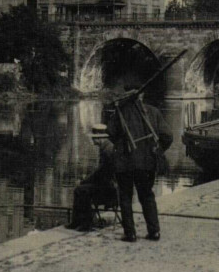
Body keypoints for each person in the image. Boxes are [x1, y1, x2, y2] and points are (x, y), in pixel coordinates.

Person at [106, 89, 172, 242]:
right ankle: (154, 231)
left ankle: (130, 234)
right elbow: (168, 135)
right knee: (147, 195)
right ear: (141, 96)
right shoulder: (153, 112)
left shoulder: (120, 113)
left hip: (125, 163)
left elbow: (110, 133)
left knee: (125, 197)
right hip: (147, 162)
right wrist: (159, 149)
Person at [65, 123, 116, 231]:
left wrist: (83, 181)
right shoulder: (108, 147)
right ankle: (78, 222)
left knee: (81, 190)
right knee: (82, 189)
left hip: (110, 190)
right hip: (110, 186)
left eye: (93, 138)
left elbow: (100, 172)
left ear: (99, 138)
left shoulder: (107, 151)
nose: (92, 141)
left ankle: (85, 223)